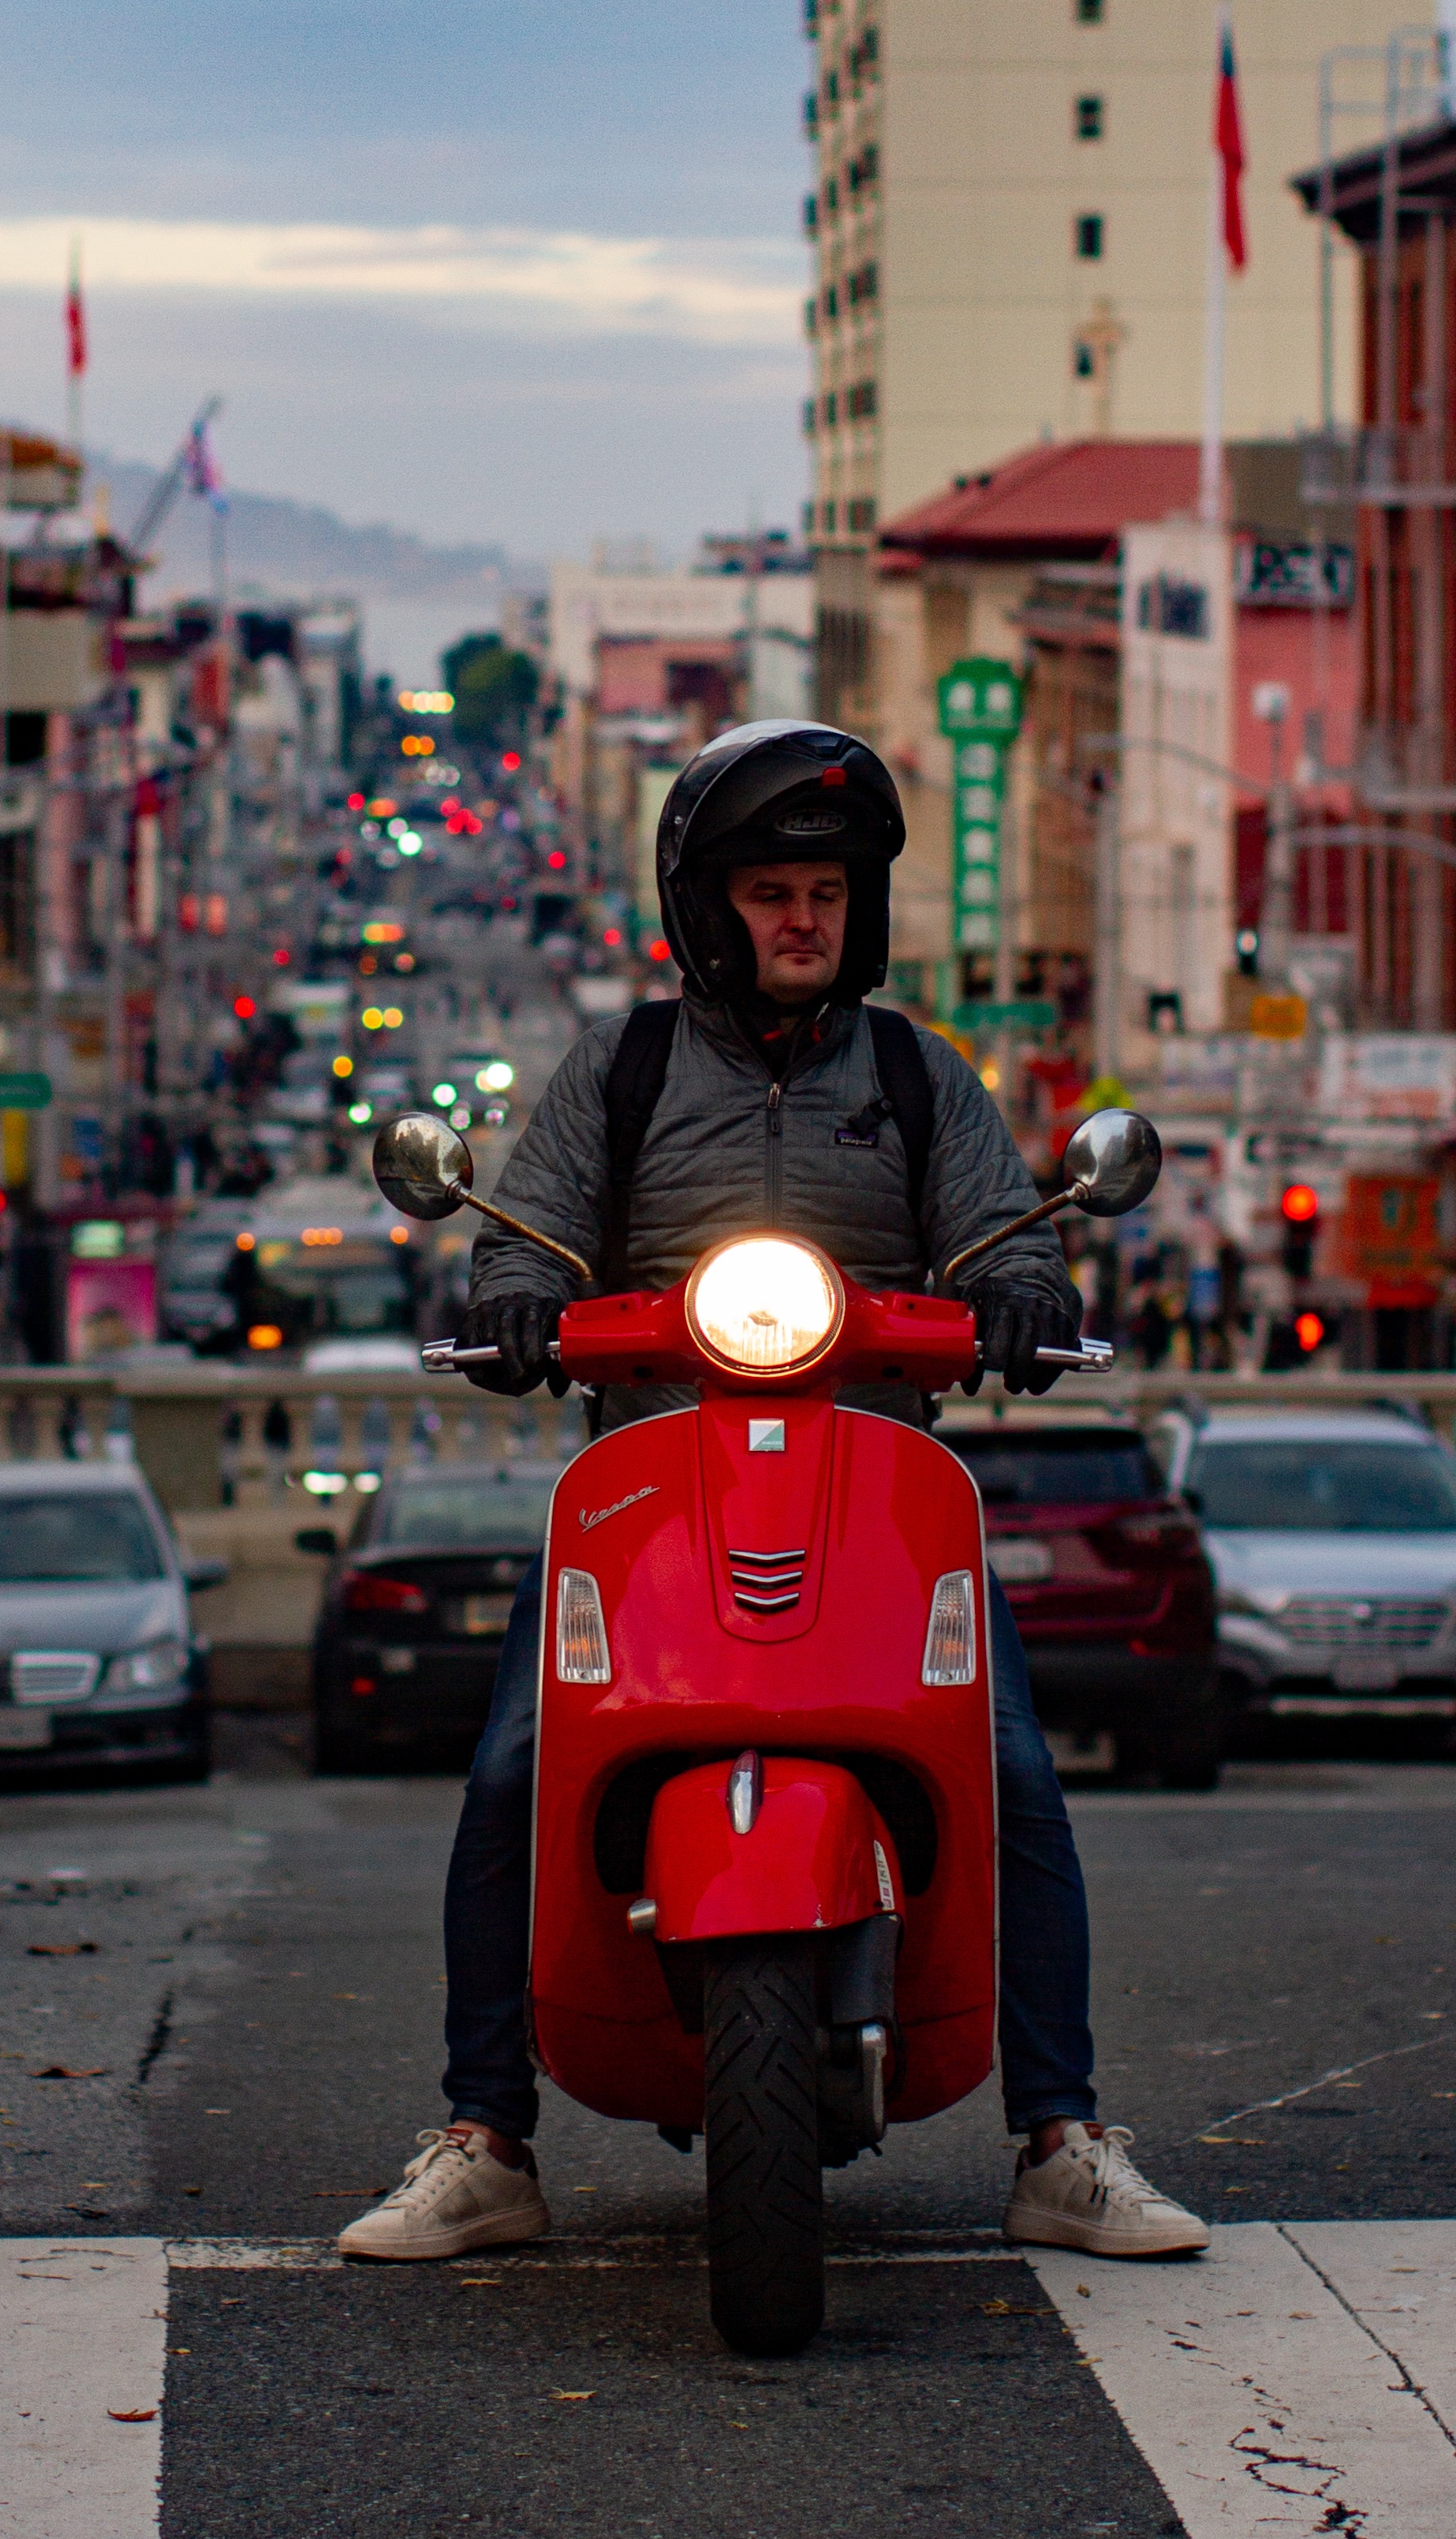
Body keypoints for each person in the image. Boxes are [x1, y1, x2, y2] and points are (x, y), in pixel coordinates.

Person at [337, 720, 1208, 2267]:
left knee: (1010, 1769)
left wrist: (1016, 1291)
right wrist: (518, 1299)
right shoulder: (623, 1068)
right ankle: (483, 2133)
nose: (798, 917)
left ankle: (1063, 2133)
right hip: (646, 1490)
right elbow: (521, 1232)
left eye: (823, 888)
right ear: (705, 909)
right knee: (509, 1773)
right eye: (766, 891)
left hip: (876, 1494)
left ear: (859, 906)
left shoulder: (916, 1073)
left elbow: (1006, 1232)